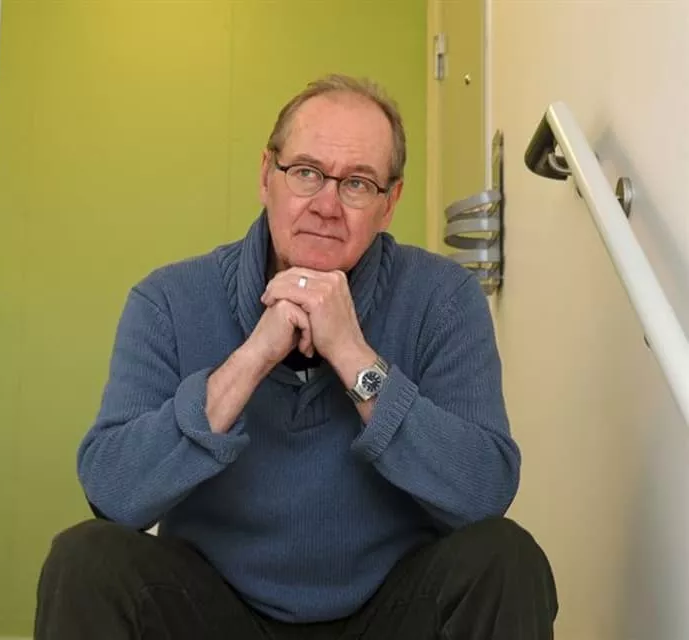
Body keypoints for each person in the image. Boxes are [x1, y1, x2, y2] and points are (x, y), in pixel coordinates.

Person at [34, 74, 557, 639]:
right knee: (86, 559)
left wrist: (354, 358)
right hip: (218, 611)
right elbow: (113, 495)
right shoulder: (167, 300)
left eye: (357, 183)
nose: (327, 205)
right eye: (306, 172)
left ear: (389, 204)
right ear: (267, 176)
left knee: (506, 558)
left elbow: (484, 493)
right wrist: (254, 357)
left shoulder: (443, 299)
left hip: (389, 611)